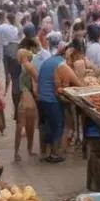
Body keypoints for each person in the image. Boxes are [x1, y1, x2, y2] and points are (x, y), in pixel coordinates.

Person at [36, 34, 79, 163]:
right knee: (58, 125)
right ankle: (54, 154)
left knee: (47, 126)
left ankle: (45, 153)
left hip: (41, 98)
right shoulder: (61, 64)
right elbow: (78, 82)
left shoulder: (50, 60)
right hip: (51, 100)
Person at [14, 38, 39, 161]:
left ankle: (17, 152)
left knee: (20, 125)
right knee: (29, 125)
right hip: (28, 98)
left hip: (23, 96)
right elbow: (37, 78)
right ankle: (28, 149)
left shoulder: (22, 66)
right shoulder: (28, 66)